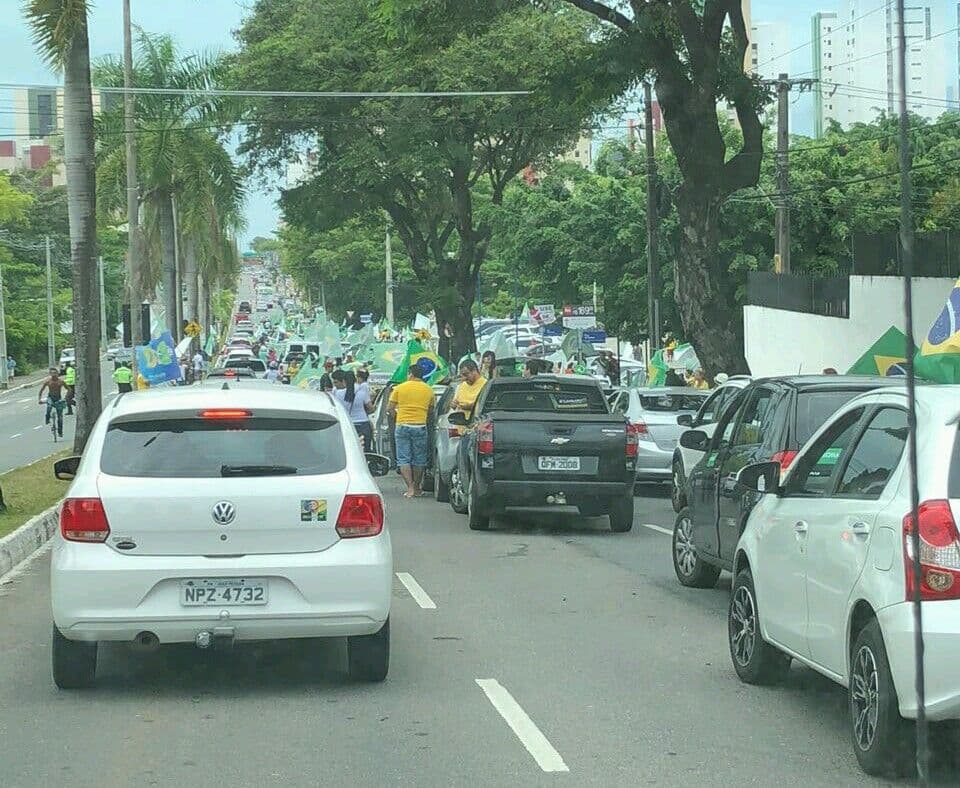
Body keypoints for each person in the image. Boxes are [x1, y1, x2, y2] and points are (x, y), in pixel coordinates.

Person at [388, 364, 435, 498]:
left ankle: (409, 488)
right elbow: (431, 409)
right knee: (419, 459)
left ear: (410, 374)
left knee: (403, 459)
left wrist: (397, 417)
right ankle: (417, 487)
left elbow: (390, 408)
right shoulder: (428, 390)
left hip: (402, 425)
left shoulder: (399, 388)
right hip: (420, 425)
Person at [333, 368, 374, 449]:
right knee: (365, 450)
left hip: (347, 424)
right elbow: (371, 408)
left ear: (344, 381)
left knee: (349, 448)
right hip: (363, 424)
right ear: (355, 379)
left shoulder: (337, 393)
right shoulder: (362, 391)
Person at [38, 368, 66, 437]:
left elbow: (69, 389)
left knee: (60, 417)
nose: (53, 375)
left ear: (57, 374)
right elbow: (41, 390)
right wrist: (39, 399)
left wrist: (66, 398)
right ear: (50, 374)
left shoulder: (61, 382)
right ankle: (47, 418)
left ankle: (60, 431)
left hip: (58, 398)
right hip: (50, 397)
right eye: (52, 373)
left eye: (55, 373)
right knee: (49, 407)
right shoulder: (48, 382)